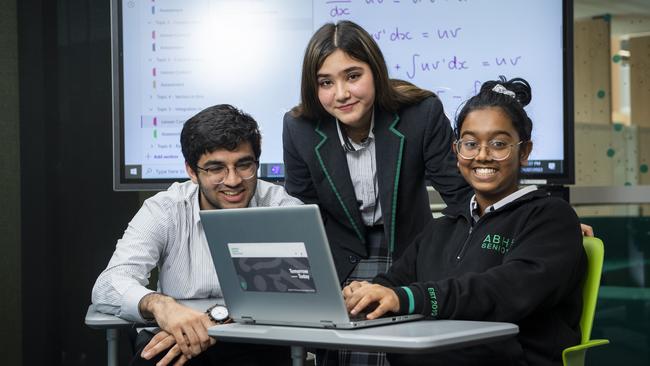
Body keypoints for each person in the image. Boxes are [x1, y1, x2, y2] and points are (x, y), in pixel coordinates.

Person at [342, 77, 587, 366]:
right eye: (470, 143)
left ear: (524, 152)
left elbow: (501, 291)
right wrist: (363, 294)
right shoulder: (442, 226)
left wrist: (407, 298)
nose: (482, 155)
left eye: (499, 144)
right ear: (457, 152)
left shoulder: (550, 218)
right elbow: (394, 282)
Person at [283, 20, 472, 364]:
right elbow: (302, 217)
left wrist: (521, 221)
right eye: (326, 82)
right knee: (345, 344)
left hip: (407, 249)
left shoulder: (421, 113)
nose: (341, 94)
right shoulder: (299, 128)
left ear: (376, 72)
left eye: (353, 76)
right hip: (336, 256)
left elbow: (460, 195)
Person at [92, 104, 300, 366]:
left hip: (258, 339)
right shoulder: (165, 209)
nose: (234, 180)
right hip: (176, 337)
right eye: (216, 169)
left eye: (244, 165)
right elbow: (108, 285)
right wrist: (161, 306)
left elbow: (302, 294)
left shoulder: (282, 208)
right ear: (192, 171)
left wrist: (213, 321)